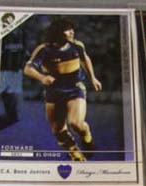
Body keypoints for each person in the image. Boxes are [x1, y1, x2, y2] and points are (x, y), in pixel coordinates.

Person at [23, 18, 102, 161]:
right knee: (58, 130)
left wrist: (93, 78)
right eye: (67, 30)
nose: (72, 32)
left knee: (75, 123)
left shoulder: (77, 45)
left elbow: (85, 59)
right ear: (58, 32)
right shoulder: (44, 49)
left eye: (72, 29)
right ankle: (76, 155)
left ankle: (87, 137)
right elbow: (28, 69)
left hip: (75, 88)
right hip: (54, 91)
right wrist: (42, 77)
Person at [0, 13, 27, 130]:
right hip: (1, 72)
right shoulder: (0, 34)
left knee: (14, 116)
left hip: (16, 73)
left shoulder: (22, 33)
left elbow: (24, 51)